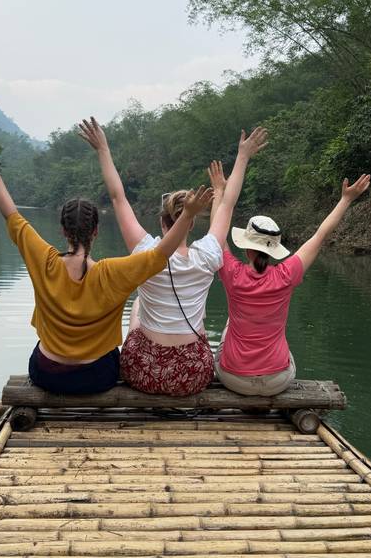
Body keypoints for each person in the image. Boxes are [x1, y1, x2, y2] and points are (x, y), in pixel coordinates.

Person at [0, 142, 213, 394]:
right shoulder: (113, 273)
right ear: (95, 231)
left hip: (47, 372)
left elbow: (12, 215)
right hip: (95, 377)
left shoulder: (43, 260)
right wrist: (187, 215)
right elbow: (161, 254)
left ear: (62, 230)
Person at [77, 118, 268, 396]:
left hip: (143, 371)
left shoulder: (145, 253)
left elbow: (118, 198)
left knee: (139, 303)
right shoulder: (207, 255)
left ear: (162, 220)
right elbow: (227, 203)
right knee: (197, 322)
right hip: (191, 375)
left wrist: (103, 149)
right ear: (190, 224)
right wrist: (242, 156)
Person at [210, 171, 371, 396]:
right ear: (274, 250)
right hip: (277, 381)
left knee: (228, 327)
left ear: (246, 247)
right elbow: (319, 236)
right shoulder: (286, 274)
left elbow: (215, 237)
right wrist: (346, 200)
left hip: (234, 378)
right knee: (283, 345)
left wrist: (218, 193)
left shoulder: (232, 273)